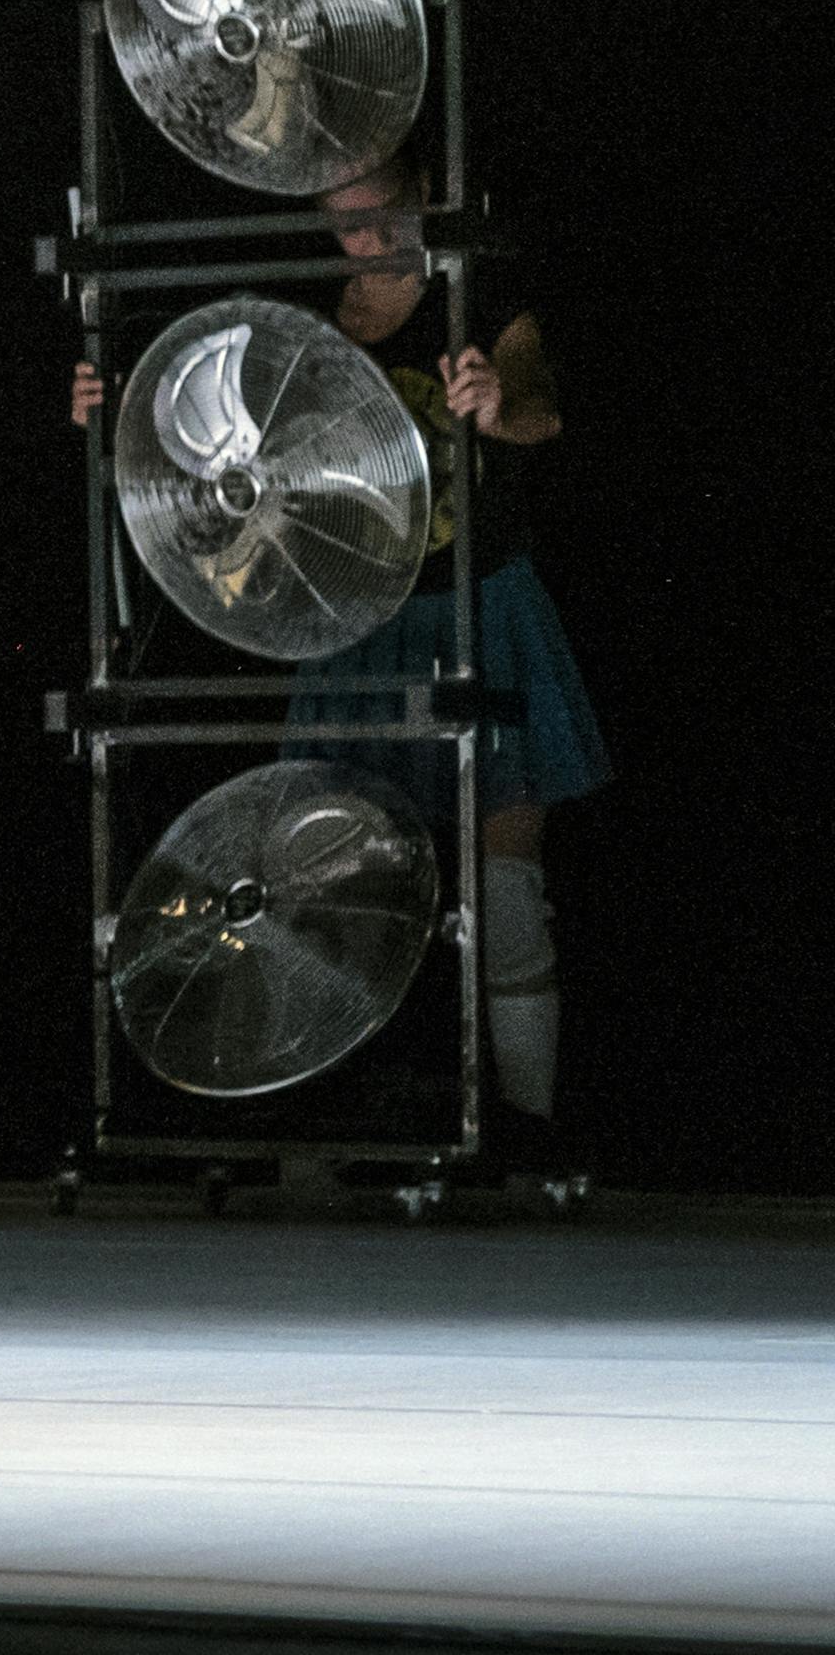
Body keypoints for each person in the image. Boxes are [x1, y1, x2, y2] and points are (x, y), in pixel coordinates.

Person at [73, 156, 607, 1157]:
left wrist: (498, 406)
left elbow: (538, 402)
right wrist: (107, 409)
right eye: (343, 224)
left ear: (418, 202)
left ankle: (534, 1138)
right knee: (327, 888)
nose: (366, 240)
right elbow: (196, 425)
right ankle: (329, 1120)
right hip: (356, 626)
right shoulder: (305, 321)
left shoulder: (470, 293)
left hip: (478, 606)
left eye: (382, 218)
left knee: (506, 894)